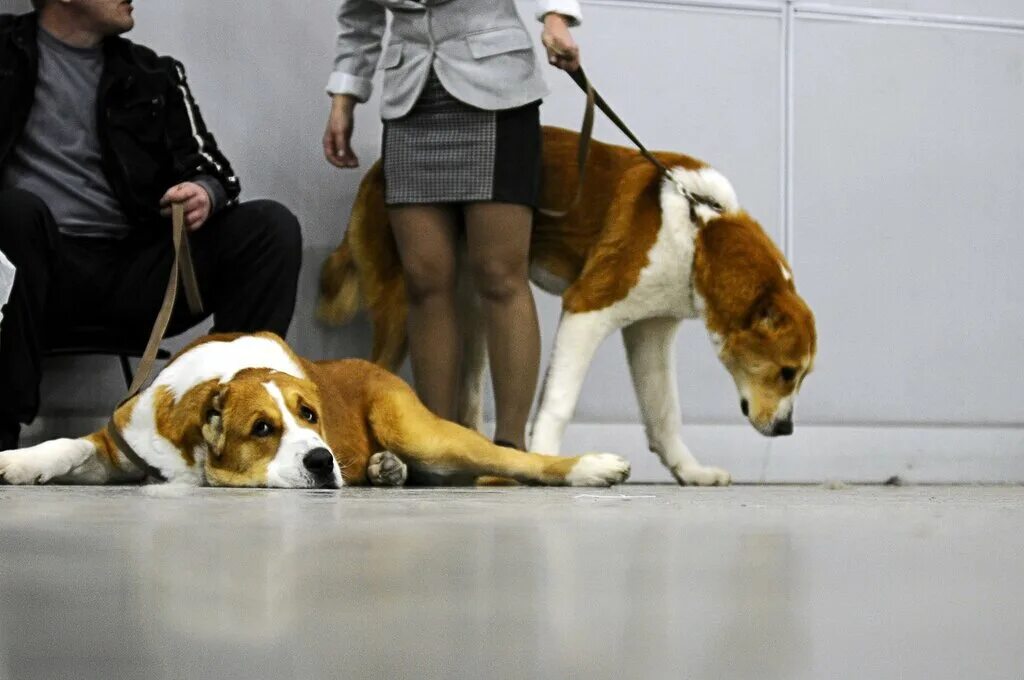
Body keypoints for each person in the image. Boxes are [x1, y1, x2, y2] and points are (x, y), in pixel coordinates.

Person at [0, 0, 303, 451]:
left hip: (134, 272)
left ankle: (242, 423)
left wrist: (204, 192)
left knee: (269, 226)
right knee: (13, 212)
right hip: (28, 270)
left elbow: (215, 171)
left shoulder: (151, 73)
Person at [324, 0, 581, 451]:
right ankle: (439, 445)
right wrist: (344, 98)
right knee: (425, 280)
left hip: (498, 94)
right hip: (410, 103)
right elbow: (359, 19)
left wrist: (556, 19)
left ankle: (511, 447)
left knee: (500, 275)